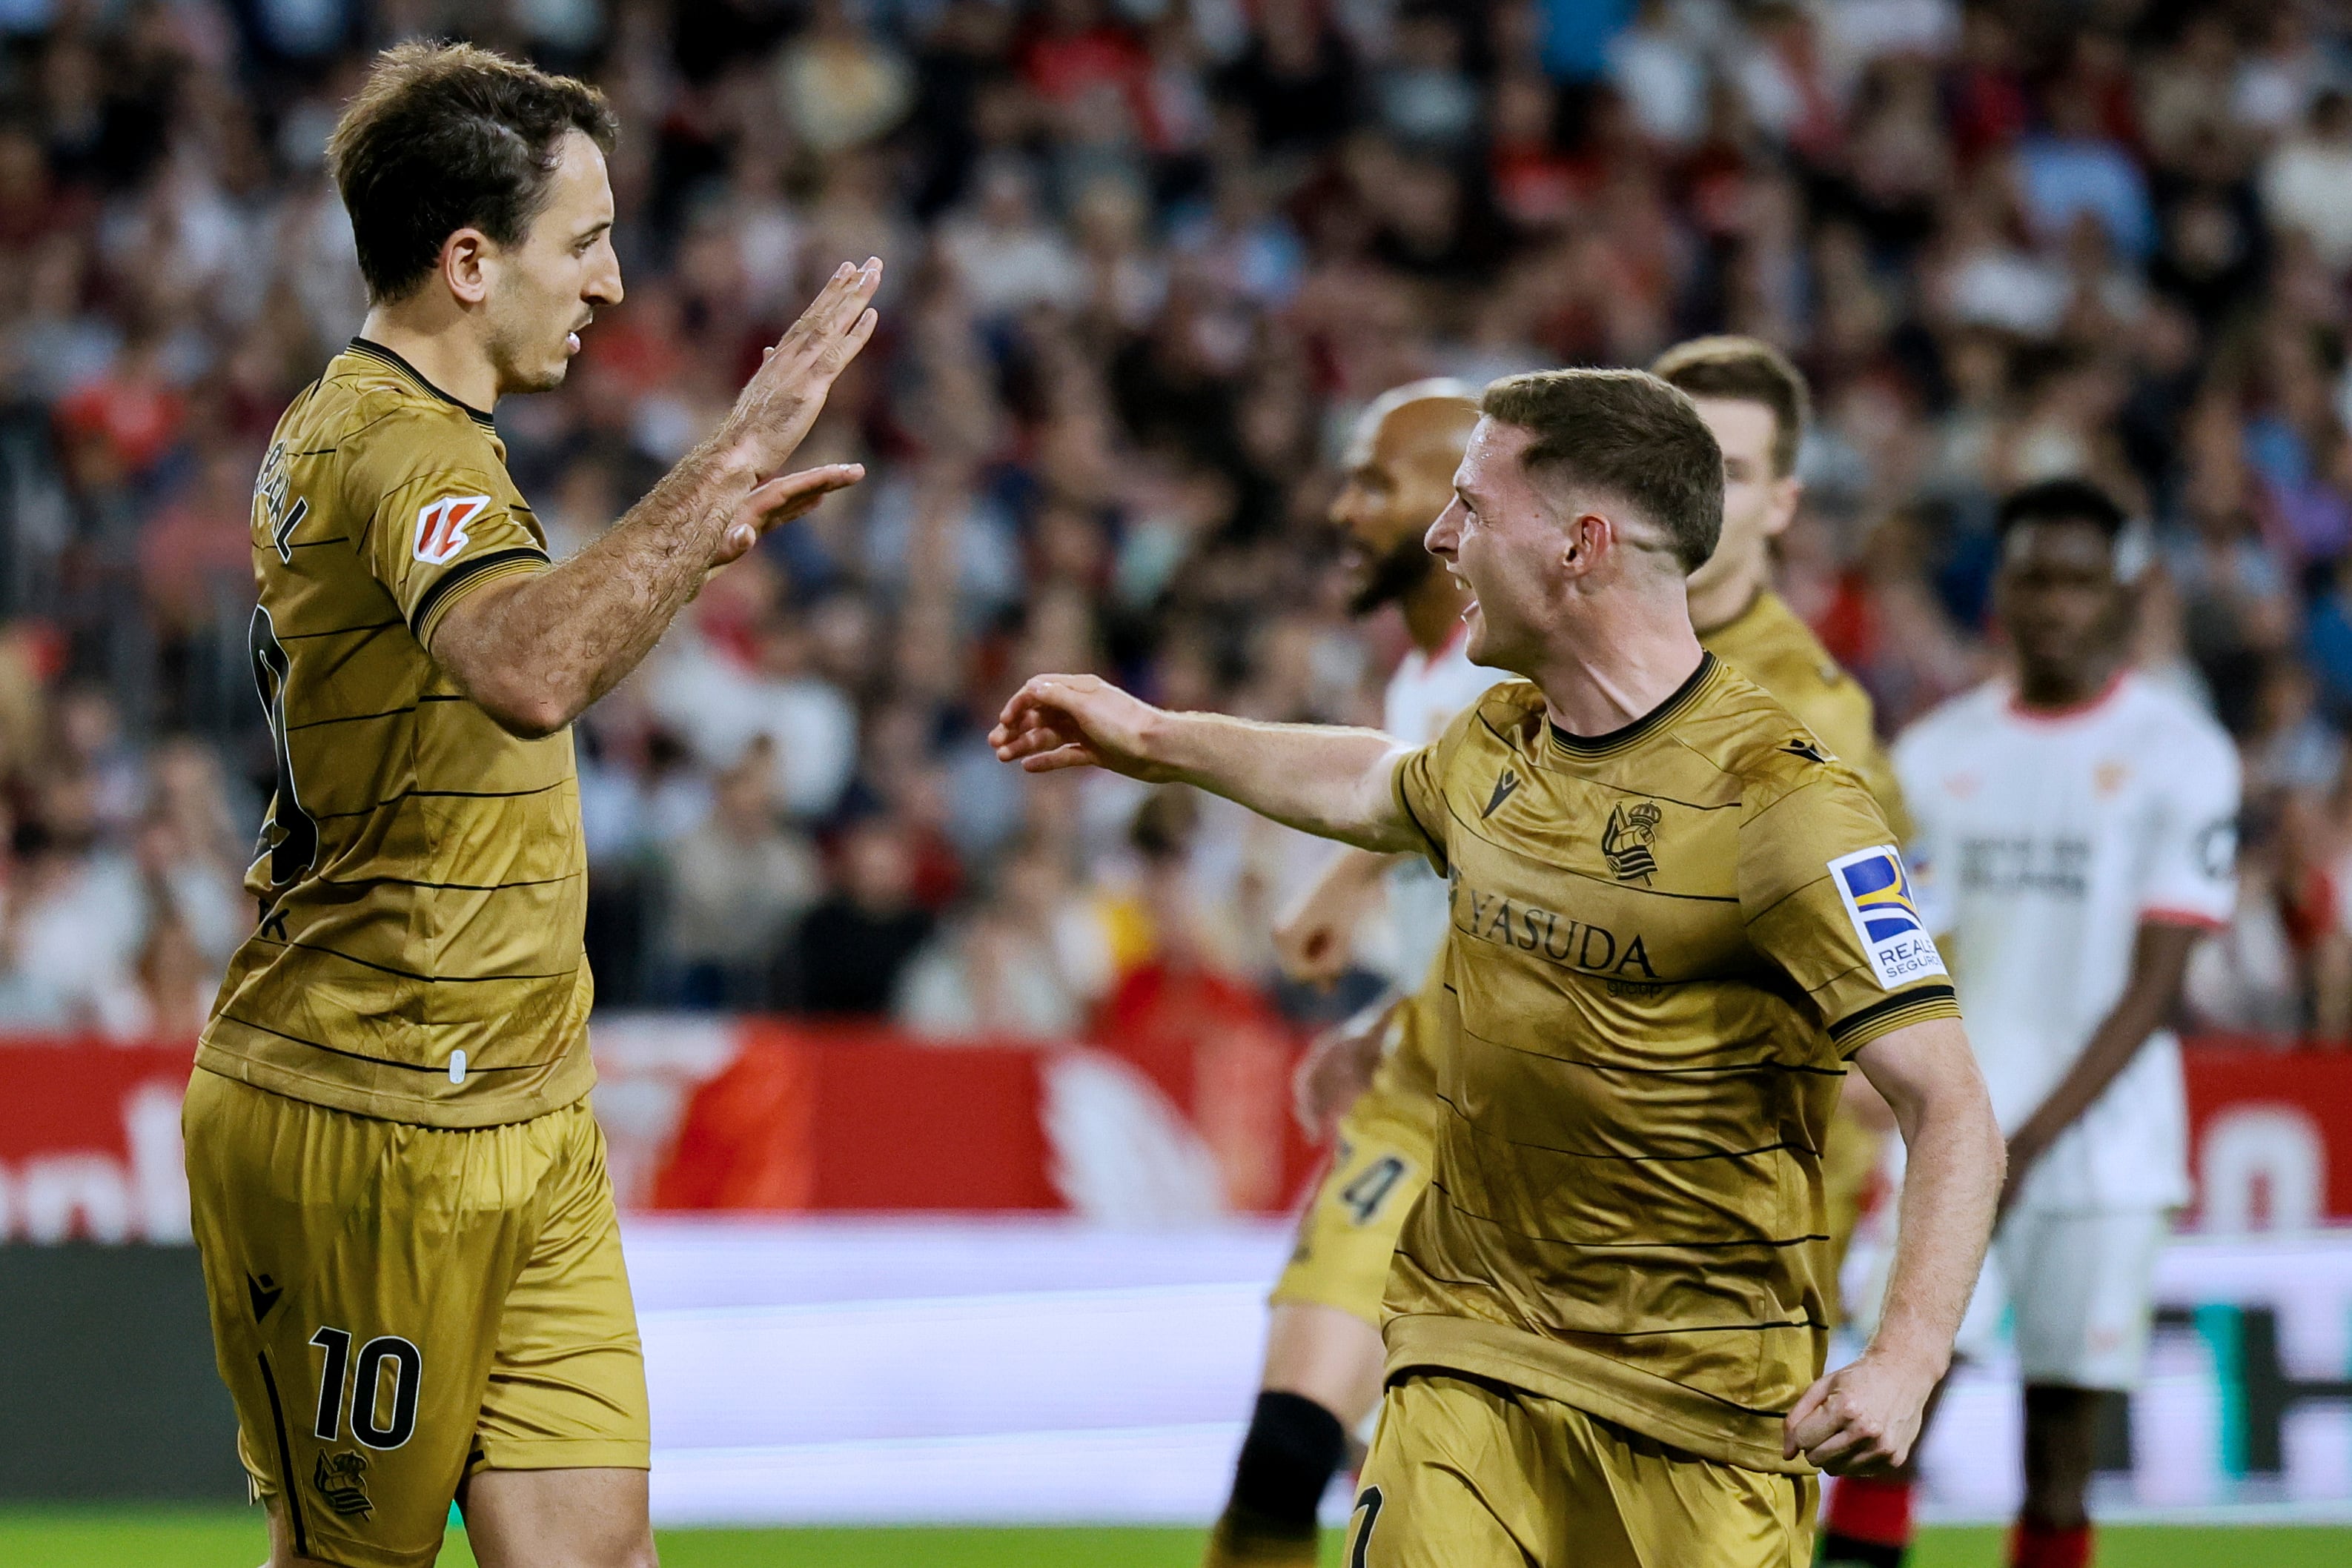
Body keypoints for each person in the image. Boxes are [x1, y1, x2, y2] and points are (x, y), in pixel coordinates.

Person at [996, 368, 2006, 1567]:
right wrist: (1154, 738)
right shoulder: (1497, 742)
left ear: (1580, 547)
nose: (1438, 538)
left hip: (1698, 1409)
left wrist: (1903, 1358)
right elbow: (1364, 783)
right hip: (1465, 1360)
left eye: (1471, 507)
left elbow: (1949, 1104)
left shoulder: (1785, 805)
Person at [182, 43, 881, 1568]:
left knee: (597, 1552)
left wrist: (692, 543)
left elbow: (511, 670)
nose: (614, 285)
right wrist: (731, 452)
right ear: (468, 258)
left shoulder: (379, 431)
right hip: (368, 1107)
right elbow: (530, 669)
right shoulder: (397, 446)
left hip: (525, 1095)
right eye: (587, 241)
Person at [1219, 341, 1914, 1567]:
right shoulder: (1539, 664)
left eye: (1738, 466)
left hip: (1658, 1225)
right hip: (1448, 1119)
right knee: (1285, 1456)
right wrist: (1390, 1005)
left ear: (1772, 502)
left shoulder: (1801, 726)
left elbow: (1851, 1017)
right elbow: (1466, 831)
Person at [1853, 479, 2239, 1568]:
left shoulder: (2181, 752)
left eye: (2080, 581)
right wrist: (1953, 1128)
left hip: (2104, 1153)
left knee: (2061, 1455)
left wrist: (2019, 1143)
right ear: (2001, 594)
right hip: (1946, 1136)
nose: (2055, 605)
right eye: (2034, 578)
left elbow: (2156, 983)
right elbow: (1904, 959)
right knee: (1887, 1416)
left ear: (2123, 595)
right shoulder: (1932, 755)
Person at [1202, 379, 1487, 1568]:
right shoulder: (1424, 681)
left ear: (1458, 506)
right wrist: (1386, 1012)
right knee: (1283, 1458)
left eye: (1376, 480)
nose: (1342, 508)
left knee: (1432, 1501)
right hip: (1421, 1095)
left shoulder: (1507, 676)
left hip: (1524, 1131)